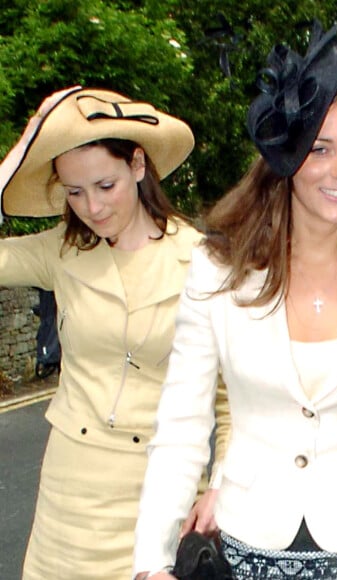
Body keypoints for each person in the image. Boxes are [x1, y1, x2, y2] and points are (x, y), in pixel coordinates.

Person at [133, 22, 337, 580]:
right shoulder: (218, 272)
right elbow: (182, 428)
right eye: (320, 148)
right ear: (285, 153)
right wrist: (152, 559)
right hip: (245, 553)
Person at [0, 86, 228, 579]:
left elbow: (231, 399)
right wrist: (32, 138)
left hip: (156, 499)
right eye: (74, 192)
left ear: (138, 165)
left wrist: (220, 486)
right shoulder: (60, 252)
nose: (92, 208)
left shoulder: (203, 262)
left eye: (106, 186)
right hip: (67, 503)